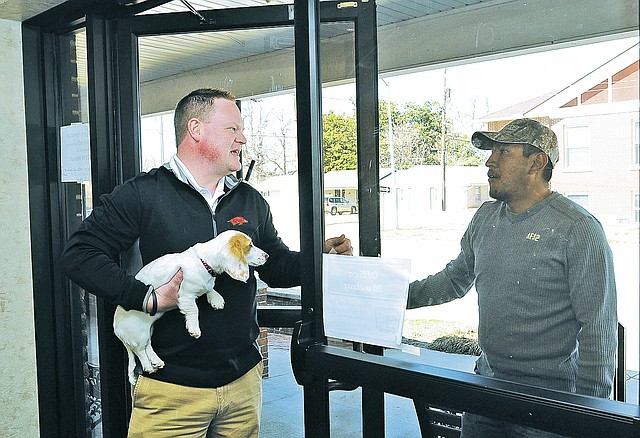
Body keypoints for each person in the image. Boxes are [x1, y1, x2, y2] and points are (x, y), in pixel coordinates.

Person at [61, 88, 352, 438]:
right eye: (233, 129)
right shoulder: (143, 194)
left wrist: (320, 259)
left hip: (243, 385)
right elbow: (80, 254)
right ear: (196, 130)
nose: (243, 138)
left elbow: (274, 266)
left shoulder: (250, 200)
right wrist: (148, 298)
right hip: (170, 391)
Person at [407, 118, 617, 437]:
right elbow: (453, 281)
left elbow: (598, 327)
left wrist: (588, 416)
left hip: (550, 404)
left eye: (503, 152)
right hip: (486, 392)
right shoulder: (485, 218)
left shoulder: (577, 228)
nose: (489, 161)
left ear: (537, 162)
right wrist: (389, 297)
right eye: (492, 152)